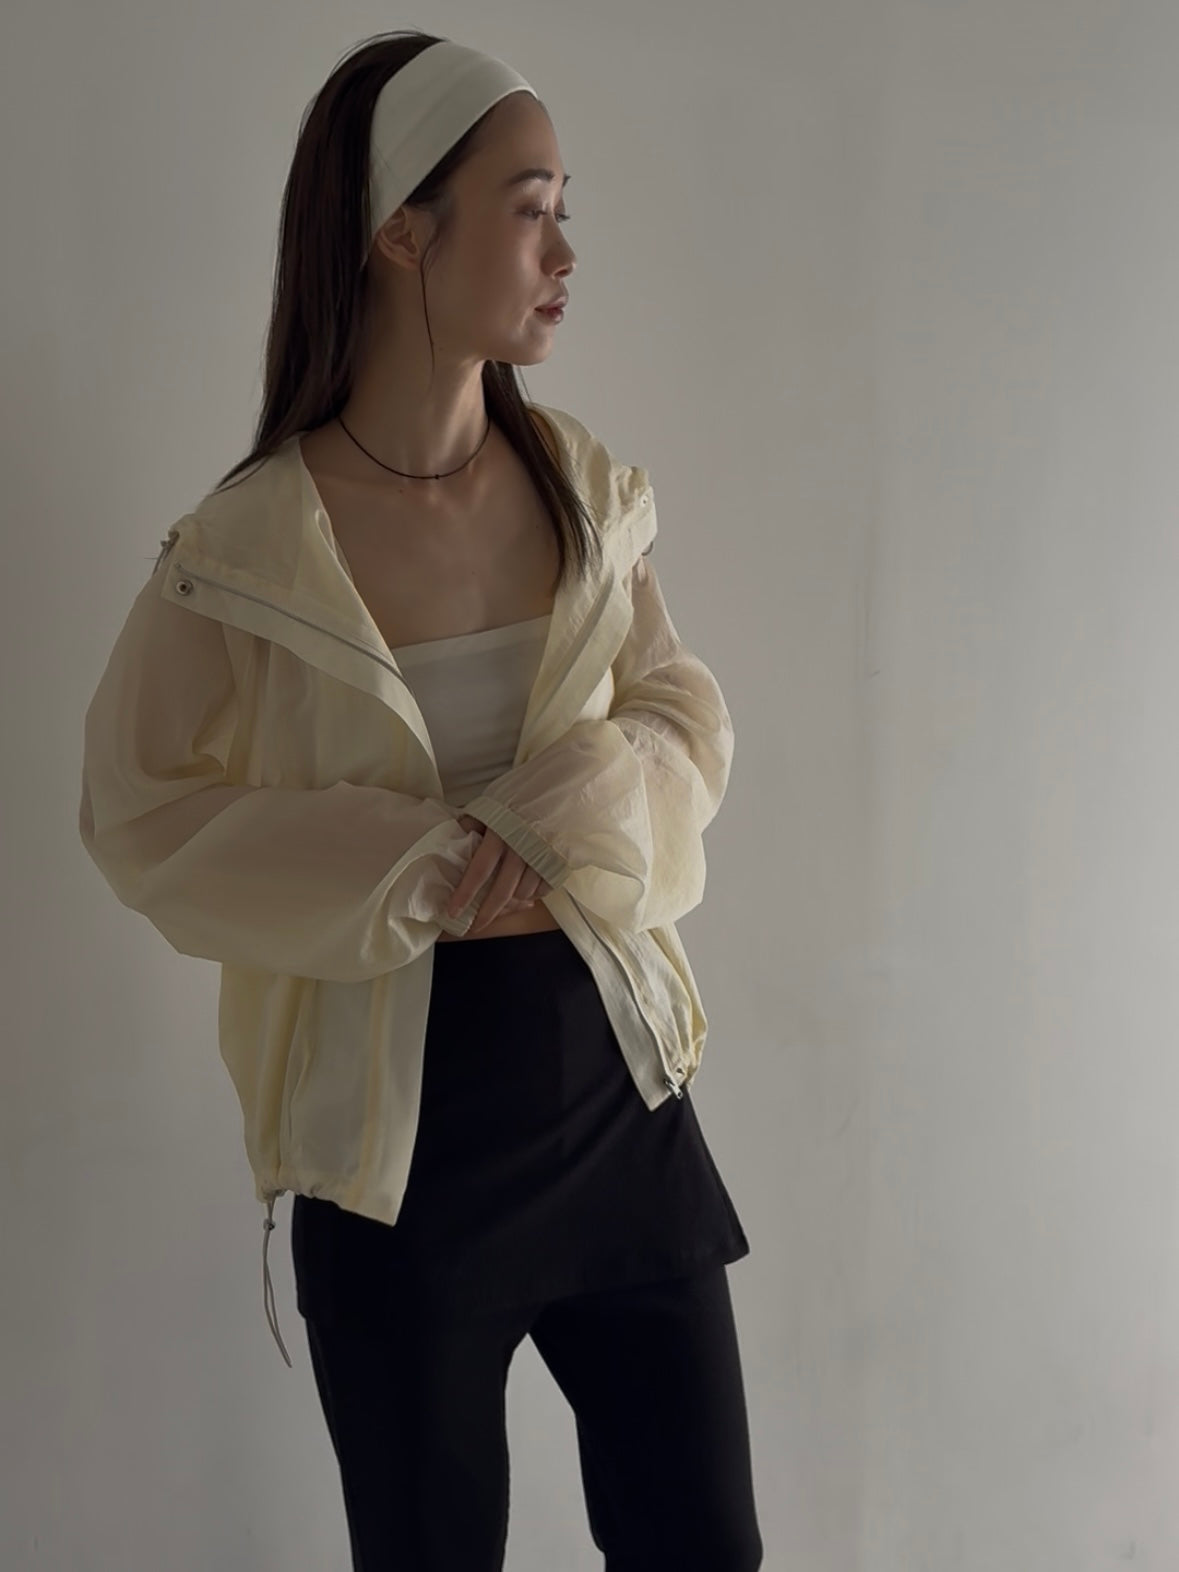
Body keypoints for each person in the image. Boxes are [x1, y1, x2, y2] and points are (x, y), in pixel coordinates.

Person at [79, 29, 764, 1572]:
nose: (565, 253)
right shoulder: (247, 550)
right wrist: (418, 864)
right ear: (403, 229)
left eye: (566, 210)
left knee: (707, 1550)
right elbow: (139, 809)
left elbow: (679, 720)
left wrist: (567, 813)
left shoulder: (584, 487)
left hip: (618, 1103)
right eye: (530, 210)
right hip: (394, 1158)